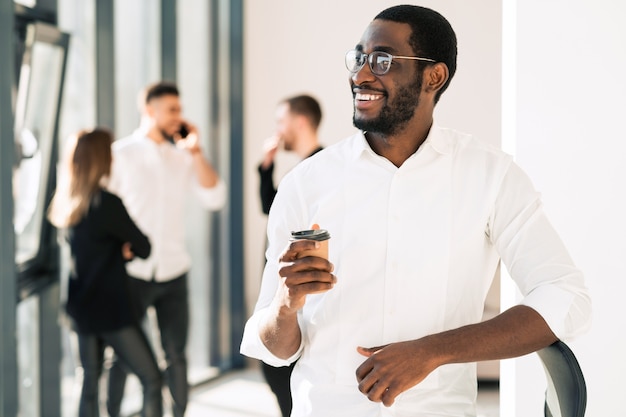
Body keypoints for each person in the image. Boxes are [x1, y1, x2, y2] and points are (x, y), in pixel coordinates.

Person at [240, 5, 592, 417]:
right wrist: (285, 304)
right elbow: (274, 349)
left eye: (383, 59)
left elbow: (567, 297)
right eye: (359, 58)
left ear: (434, 77)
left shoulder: (490, 175)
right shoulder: (306, 182)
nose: (361, 75)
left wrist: (433, 351)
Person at [107, 81, 227, 417]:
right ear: (149, 111)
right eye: (171, 110)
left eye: (180, 109)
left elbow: (215, 197)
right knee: (120, 357)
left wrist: (195, 151)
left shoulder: (182, 157)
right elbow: (101, 209)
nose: (179, 116)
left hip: (174, 270)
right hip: (131, 274)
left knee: (176, 355)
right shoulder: (120, 154)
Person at [47, 128, 162, 417]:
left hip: (80, 309)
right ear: (102, 159)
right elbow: (144, 247)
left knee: (88, 384)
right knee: (151, 379)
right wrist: (125, 249)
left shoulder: (67, 202)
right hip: (111, 310)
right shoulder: (106, 203)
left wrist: (116, 249)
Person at [257, 94, 324, 417]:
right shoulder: (302, 170)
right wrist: (265, 168)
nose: (278, 130)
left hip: (301, 291)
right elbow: (270, 209)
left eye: (281, 122)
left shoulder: (319, 169)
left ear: (300, 122)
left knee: (279, 370)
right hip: (286, 287)